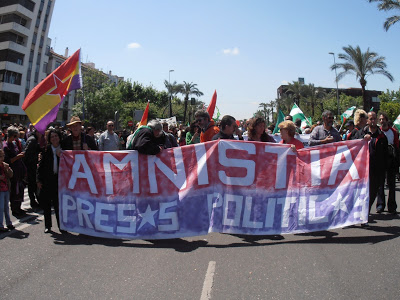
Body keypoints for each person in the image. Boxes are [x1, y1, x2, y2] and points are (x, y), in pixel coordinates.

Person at [353, 111, 388, 216]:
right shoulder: (360, 133)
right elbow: (352, 145)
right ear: (367, 120)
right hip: (362, 170)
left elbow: (385, 155)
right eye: (370, 119)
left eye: (374, 118)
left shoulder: (382, 136)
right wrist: (362, 140)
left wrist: (383, 170)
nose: (373, 121)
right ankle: (362, 214)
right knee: (361, 193)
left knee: (372, 193)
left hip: (376, 171)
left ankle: (365, 212)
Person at [37, 130, 64, 233]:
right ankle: (48, 226)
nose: (54, 138)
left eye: (56, 136)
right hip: (47, 180)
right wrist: (38, 180)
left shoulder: (64, 149)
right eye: (52, 137)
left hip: (59, 181)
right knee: (47, 205)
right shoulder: (45, 150)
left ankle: (61, 226)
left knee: (58, 205)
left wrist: (60, 156)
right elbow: (40, 166)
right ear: (49, 139)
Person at [376, 112, 398, 214]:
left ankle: (392, 206)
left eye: (383, 119)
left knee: (391, 184)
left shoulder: (393, 131)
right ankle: (380, 205)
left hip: (391, 159)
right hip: (380, 160)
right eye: (380, 120)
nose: (381, 121)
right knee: (380, 183)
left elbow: (397, 146)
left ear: (386, 120)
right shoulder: (378, 131)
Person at [3, 126, 26, 217]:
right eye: (15, 136)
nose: (16, 138)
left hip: (19, 170)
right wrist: (18, 156)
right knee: (14, 191)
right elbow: (8, 161)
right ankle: (15, 209)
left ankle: (19, 207)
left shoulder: (14, 144)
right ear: (11, 136)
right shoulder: (6, 147)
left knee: (20, 190)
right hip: (13, 172)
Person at [24, 129, 43, 211]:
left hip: (32, 165)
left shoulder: (33, 139)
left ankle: (35, 201)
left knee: (33, 185)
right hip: (31, 166)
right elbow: (27, 153)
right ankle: (33, 201)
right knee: (32, 184)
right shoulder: (33, 140)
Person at [0, 149, 14, 232]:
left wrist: (8, 169)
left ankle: (9, 223)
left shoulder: (4, 165)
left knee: (6, 207)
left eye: (2, 156)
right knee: (1, 207)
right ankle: (0, 225)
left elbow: (11, 175)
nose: (2, 158)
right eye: (0, 156)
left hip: (6, 188)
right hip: (0, 189)